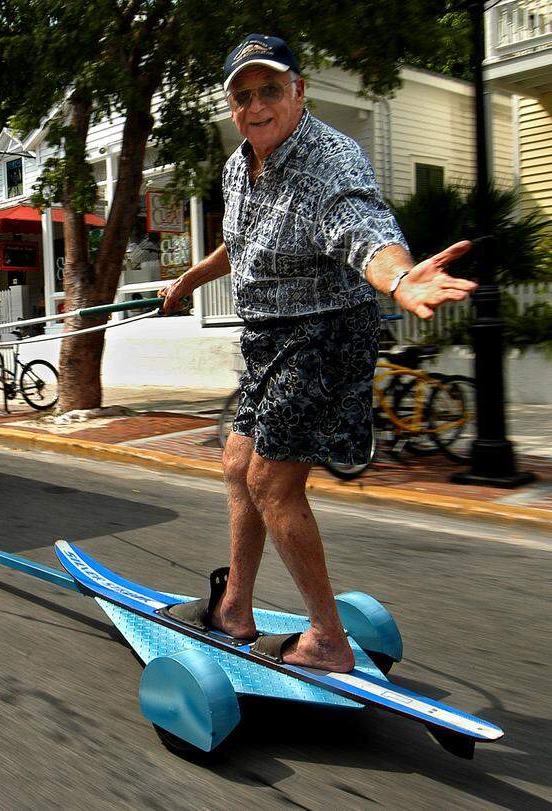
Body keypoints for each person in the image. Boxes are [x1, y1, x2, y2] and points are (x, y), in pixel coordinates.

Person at [158, 34, 476, 673]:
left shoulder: (332, 160)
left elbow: (360, 225)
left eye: (270, 89)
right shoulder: (238, 165)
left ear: (298, 91)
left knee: (272, 480)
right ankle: (236, 608)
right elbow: (240, 243)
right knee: (236, 460)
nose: (256, 106)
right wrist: (189, 281)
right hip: (268, 337)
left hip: (325, 334)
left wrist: (401, 275)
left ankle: (327, 640)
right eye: (242, 95)